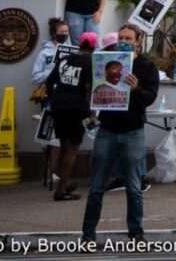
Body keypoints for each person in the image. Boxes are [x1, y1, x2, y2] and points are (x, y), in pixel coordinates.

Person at [82, 23, 158, 246]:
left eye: (128, 38)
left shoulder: (145, 66)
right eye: (121, 37)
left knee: (134, 186)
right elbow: (92, 89)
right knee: (96, 186)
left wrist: (137, 89)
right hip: (107, 130)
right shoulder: (105, 60)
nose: (124, 41)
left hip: (133, 131)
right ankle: (87, 235)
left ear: (138, 41)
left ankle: (136, 233)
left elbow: (150, 98)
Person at [46, 32, 94, 201]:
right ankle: (61, 190)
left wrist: (52, 99)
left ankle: (63, 182)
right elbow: (89, 88)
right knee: (72, 148)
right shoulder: (90, 62)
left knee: (63, 145)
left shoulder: (64, 59)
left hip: (58, 106)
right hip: (76, 108)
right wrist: (91, 113)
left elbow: (49, 81)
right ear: (94, 47)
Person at [32, 18, 68, 190]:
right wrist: (52, 68)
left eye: (67, 32)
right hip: (50, 98)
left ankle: (62, 173)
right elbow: (36, 77)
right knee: (50, 137)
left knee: (64, 137)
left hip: (66, 98)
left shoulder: (70, 50)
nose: (65, 35)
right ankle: (49, 172)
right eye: (61, 32)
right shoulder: (44, 53)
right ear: (54, 33)